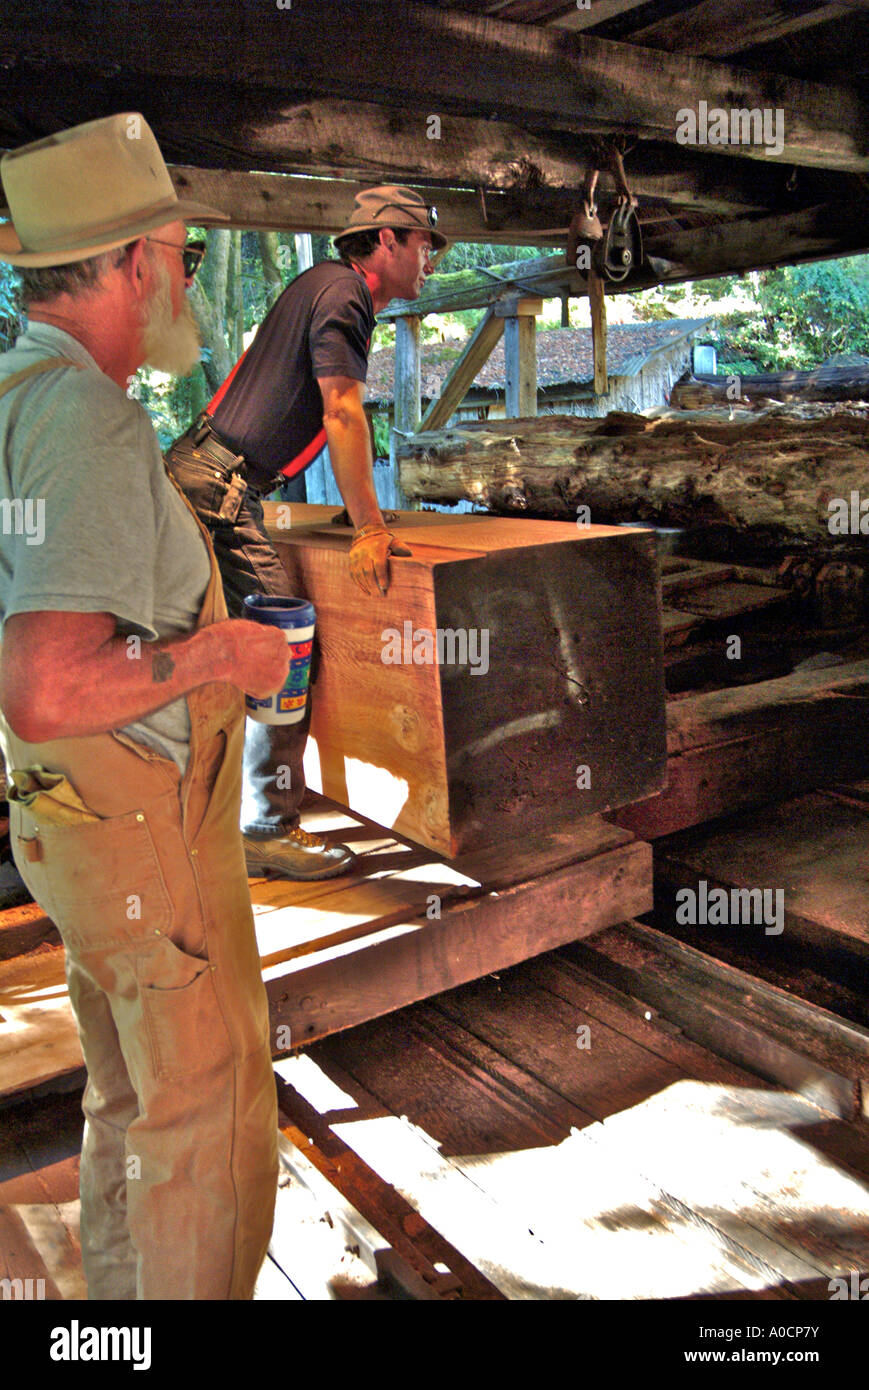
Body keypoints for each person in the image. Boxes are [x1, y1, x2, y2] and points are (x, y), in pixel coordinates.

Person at [0, 113, 289, 1299]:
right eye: (184, 254)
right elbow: (52, 684)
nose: (187, 278)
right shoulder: (88, 421)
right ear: (133, 265)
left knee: (133, 1093)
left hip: (78, 826)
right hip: (142, 830)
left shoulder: (19, 391)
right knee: (206, 1120)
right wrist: (222, 649)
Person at [165, 186, 446, 880]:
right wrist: (370, 528)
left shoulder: (323, 286)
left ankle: (209, 809)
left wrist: (360, 514)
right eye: (424, 246)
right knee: (278, 652)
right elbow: (342, 410)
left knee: (222, 651)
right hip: (217, 486)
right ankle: (265, 827)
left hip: (210, 477)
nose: (430, 262)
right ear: (385, 241)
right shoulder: (345, 294)